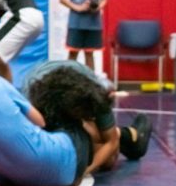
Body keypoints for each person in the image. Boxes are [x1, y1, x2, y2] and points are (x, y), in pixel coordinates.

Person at [0, 56, 131, 186]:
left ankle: (123, 137)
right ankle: (122, 135)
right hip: (69, 165)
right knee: (58, 110)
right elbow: (39, 121)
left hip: (21, 184)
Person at [22, 59, 152, 170]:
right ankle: (130, 137)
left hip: (77, 90)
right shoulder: (34, 101)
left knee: (109, 160)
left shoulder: (94, 93)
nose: (87, 118)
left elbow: (110, 142)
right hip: (48, 98)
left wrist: (86, 171)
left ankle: (132, 137)